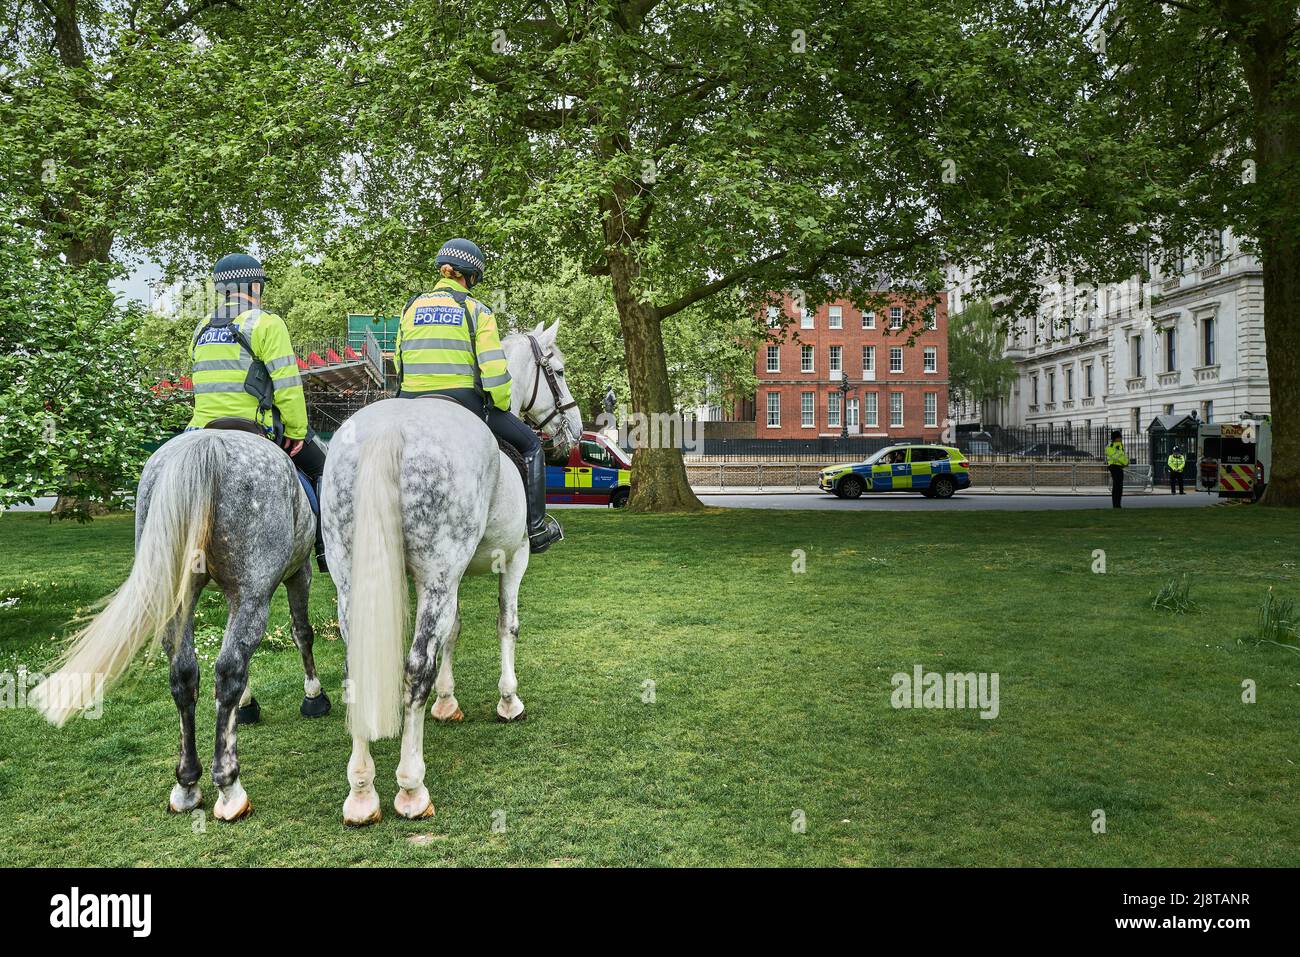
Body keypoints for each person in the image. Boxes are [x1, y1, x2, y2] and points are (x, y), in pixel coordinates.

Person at [395, 238, 563, 554]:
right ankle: (537, 529)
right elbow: (496, 375)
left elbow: (398, 362)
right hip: (463, 402)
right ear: (470, 276)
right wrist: (499, 404)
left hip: (408, 401)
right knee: (530, 446)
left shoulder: (411, 308)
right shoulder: (477, 311)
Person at [187, 253, 330, 572]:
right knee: (324, 467)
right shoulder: (267, 323)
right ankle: (324, 550)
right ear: (253, 285)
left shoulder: (201, 327)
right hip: (254, 427)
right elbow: (288, 385)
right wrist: (295, 430)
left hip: (200, 428)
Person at [1105, 429, 1129, 508]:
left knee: (1119, 486)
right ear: (1116, 438)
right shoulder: (1110, 447)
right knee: (1116, 486)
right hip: (1114, 467)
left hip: (1119, 467)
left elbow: (1123, 456)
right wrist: (1125, 463)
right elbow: (1116, 457)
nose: (1121, 438)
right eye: (1120, 437)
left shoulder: (1120, 445)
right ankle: (1115, 504)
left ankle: (1118, 504)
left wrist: (1126, 462)